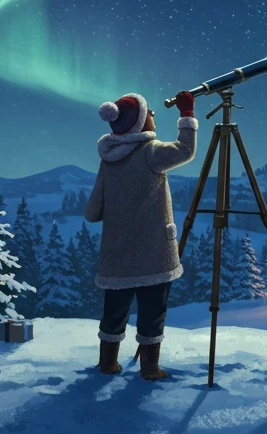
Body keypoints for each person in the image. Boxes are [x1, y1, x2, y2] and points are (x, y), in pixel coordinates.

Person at [84, 88, 197, 380]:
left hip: (116, 253)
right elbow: (185, 150)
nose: (154, 116)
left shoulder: (109, 157)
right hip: (153, 252)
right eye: (149, 114)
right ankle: (149, 368)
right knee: (152, 311)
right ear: (138, 123)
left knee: (114, 310)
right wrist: (186, 115)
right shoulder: (151, 151)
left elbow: (93, 210)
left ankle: (107, 363)